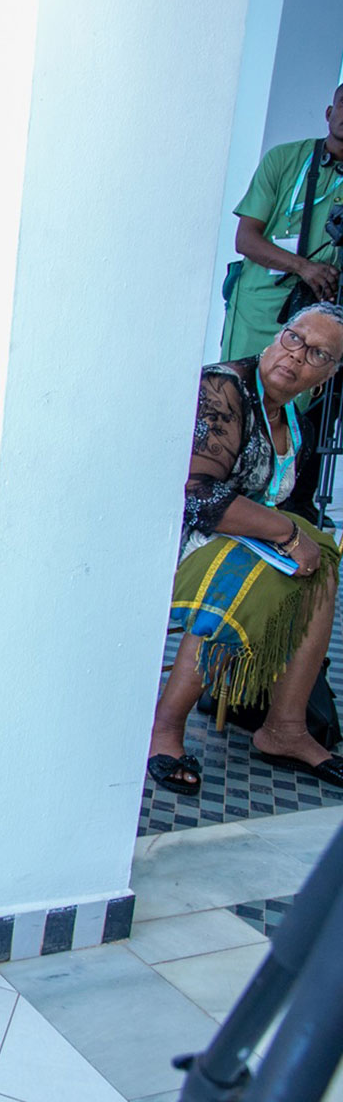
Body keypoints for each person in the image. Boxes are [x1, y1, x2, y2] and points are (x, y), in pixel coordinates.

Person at [149, 303, 343, 797]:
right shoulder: (225, 388)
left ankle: (286, 727)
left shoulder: (293, 420)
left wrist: (296, 539)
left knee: (322, 561)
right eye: (294, 337)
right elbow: (198, 496)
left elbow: (284, 503)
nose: (296, 355)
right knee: (248, 571)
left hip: (233, 539)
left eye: (317, 353)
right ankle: (164, 728)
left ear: (329, 376)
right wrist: (287, 535)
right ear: (279, 335)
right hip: (168, 536)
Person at [221, 85, 343, 523]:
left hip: (323, 315)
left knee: (309, 410)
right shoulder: (285, 160)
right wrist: (304, 267)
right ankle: (229, 499)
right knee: (244, 398)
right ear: (329, 111)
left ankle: (290, 508)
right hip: (261, 308)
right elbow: (246, 239)